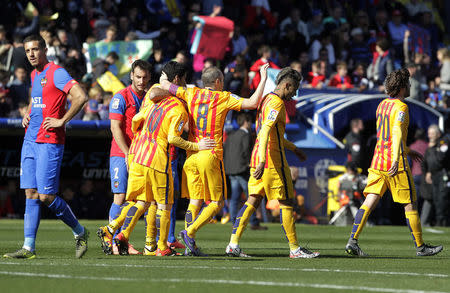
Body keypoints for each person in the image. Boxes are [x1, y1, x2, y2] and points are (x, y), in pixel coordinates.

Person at [98, 61, 216, 256]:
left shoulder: (151, 94)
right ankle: (161, 246)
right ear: (177, 80)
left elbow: (137, 119)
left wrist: (140, 140)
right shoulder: (177, 106)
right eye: (184, 81)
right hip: (158, 158)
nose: (186, 85)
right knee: (164, 204)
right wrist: (197, 146)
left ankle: (116, 232)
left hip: (138, 153)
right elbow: (173, 137)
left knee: (143, 201)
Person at [153, 63, 270, 256]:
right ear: (217, 82)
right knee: (217, 203)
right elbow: (252, 103)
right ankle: (189, 232)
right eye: (222, 81)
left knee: (195, 200)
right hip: (210, 154)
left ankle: (191, 248)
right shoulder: (223, 97)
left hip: (191, 157)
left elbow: (165, 84)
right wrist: (263, 78)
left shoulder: (189, 92)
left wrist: (165, 73)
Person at [3, 35, 89, 259]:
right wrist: (28, 113)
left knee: (45, 196)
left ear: (44, 49)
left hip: (49, 141)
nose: (31, 54)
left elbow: (81, 96)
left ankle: (80, 232)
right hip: (30, 140)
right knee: (30, 193)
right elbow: (37, 98)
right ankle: (28, 248)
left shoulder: (57, 73)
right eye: (27, 50)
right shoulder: (34, 74)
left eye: (35, 50)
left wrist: (63, 120)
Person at [345, 68, 443, 257]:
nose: (410, 86)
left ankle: (352, 241)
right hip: (394, 162)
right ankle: (421, 247)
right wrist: (399, 155)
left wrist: (407, 149)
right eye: (408, 83)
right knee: (410, 204)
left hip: (378, 160)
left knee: (370, 200)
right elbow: (396, 131)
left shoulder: (382, 105)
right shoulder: (401, 107)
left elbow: (386, 134)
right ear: (401, 87)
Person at [225, 67, 319, 259]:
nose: (295, 93)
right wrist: (262, 161)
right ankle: (294, 249)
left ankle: (233, 244)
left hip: (258, 158)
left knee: (251, 201)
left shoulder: (266, 99)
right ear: (286, 85)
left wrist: (294, 149)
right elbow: (266, 132)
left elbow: (272, 134)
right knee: (286, 202)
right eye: (294, 89)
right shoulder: (276, 104)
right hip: (271, 161)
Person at [107, 59, 151, 255]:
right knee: (120, 196)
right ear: (131, 76)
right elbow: (114, 127)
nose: (141, 81)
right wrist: (127, 153)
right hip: (121, 153)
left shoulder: (150, 97)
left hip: (140, 155)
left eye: (145, 78)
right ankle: (111, 241)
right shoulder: (121, 97)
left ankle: (122, 240)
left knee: (135, 200)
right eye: (138, 77)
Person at [224, 112, 266, 229]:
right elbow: (247, 152)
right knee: (251, 197)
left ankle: (234, 223)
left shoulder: (231, 135)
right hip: (242, 169)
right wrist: (250, 165)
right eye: (250, 122)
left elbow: (225, 151)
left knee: (234, 198)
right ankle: (253, 222)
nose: (251, 124)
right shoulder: (246, 135)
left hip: (231, 170)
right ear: (246, 122)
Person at [422, 125, 449, 226]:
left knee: (442, 198)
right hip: (434, 174)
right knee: (436, 198)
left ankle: (442, 222)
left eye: (432, 134)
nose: (430, 136)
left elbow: (440, 159)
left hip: (443, 174)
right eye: (429, 134)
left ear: (438, 134)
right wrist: (428, 171)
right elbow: (427, 161)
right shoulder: (432, 146)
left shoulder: (443, 141)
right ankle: (439, 221)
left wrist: (433, 147)